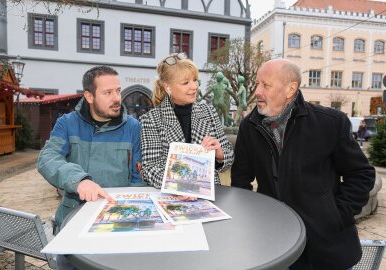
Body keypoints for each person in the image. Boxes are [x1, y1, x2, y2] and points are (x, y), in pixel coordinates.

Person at [231, 59, 375, 270]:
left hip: (326, 249)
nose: (257, 92)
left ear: (290, 89)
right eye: (257, 84)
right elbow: (240, 180)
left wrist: (336, 214)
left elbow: (361, 174)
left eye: (266, 85)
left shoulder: (330, 122)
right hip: (273, 246)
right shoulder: (249, 126)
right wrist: (253, 220)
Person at [38, 66, 145, 231]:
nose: (117, 98)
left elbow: (139, 179)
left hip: (118, 216)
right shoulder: (67, 123)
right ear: (89, 96)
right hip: (73, 214)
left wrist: (130, 214)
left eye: (118, 91)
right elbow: (48, 158)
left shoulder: (133, 127)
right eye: (107, 93)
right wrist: (79, 180)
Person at [140, 52, 234, 188]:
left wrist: (220, 154)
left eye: (195, 80)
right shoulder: (151, 119)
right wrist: (179, 186)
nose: (194, 86)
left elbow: (229, 155)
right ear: (168, 87)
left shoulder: (209, 111)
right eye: (185, 83)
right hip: (171, 197)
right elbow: (150, 168)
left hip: (208, 197)